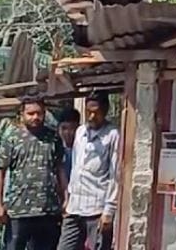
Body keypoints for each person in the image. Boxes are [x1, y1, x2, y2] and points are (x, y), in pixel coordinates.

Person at [0, 95, 66, 250]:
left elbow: (60, 169)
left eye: (39, 113)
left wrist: (66, 199)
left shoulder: (53, 137)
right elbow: (0, 171)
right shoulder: (12, 138)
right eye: (31, 113)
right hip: (18, 210)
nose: (35, 117)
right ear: (22, 114)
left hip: (48, 211)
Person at [59, 93, 120, 250]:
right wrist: (68, 198)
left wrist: (109, 211)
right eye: (88, 112)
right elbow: (75, 167)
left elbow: (115, 175)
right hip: (75, 208)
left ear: (105, 111)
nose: (92, 116)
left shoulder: (113, 135)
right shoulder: (80, 132)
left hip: (96, 209)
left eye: (96, 112)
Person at [55, 107, 81, 183]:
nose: (68, 133)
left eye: (72, 128)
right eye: (64, 128)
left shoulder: (84, 150)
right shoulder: (55, 149)